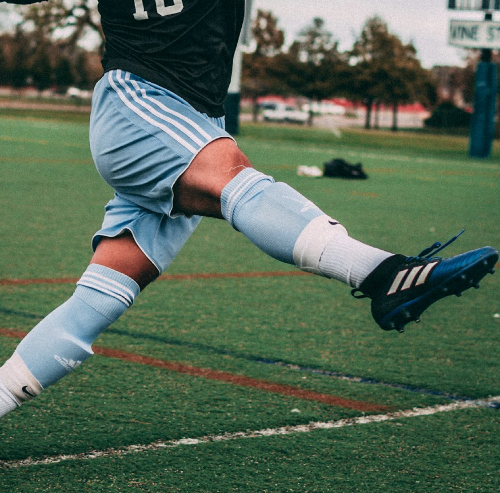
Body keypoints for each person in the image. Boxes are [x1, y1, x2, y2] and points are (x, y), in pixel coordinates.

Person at [0, 0, 497, 419]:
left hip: (185, 122)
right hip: (143, 106)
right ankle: (383, 275)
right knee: (237, 178)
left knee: (98, 301)